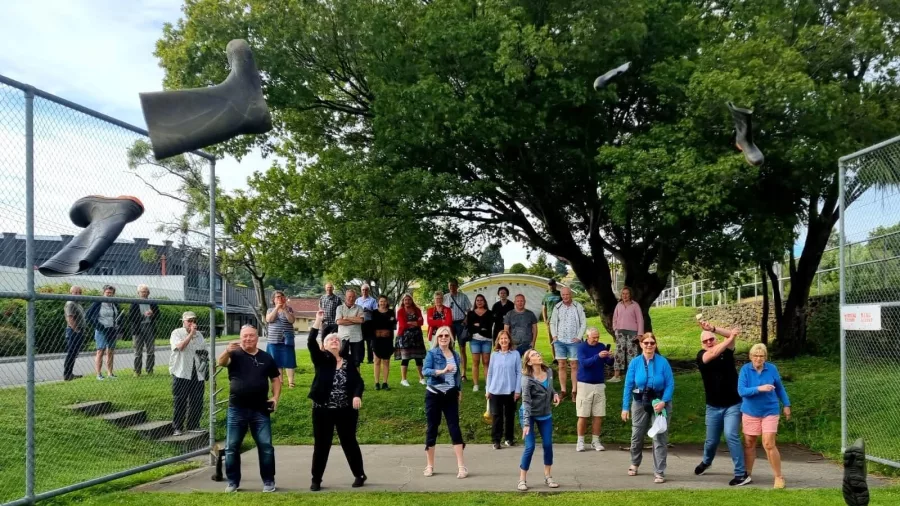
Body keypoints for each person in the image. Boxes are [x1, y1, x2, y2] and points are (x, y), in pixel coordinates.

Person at [307, 310, 367, 491]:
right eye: (330, 340)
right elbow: (311, 342)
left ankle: (359, 474)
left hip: (345, 410)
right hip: (322, 409)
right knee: (321, 444)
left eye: (337, 340)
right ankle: (316, 479)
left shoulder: (348, 362)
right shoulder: (321, 359)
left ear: (340, 345)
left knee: (349, 442)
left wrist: (357, 395)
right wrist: (318, 321)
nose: (334, 341)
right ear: (324, 346)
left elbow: (359, 382)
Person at [218, 325, 281, 493]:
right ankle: (233, 482)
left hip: (260, 409)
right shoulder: (234, 354)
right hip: (237, 409)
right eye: (244, 336)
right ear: (240, 337)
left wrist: (275, 397)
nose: (248, 339)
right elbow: (221, 363)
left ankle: (268, 481)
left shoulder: (266, 357)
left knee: (266, 446)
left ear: (257, 337)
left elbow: (275, 379)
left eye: (251, 336)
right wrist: (226, 350)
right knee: (232, 446)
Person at [694, 320, 751, 486]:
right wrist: (730, 337)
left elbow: (730, 339)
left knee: (731, 435)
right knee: (711, 441)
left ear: (715, 339)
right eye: (705, 341)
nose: (709, 343)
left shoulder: (727, 352)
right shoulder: (701, 356)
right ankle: (707, 461)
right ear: (701, 344)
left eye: (711, 339)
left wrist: (713, 328)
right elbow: (712, 354)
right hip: (713, 406)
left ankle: (741, 474)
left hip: (733, 404)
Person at [621, 332, 674, 484]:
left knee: (659, 436)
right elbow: (628, 385)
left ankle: (659, 471)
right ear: (641, 344)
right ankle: (635, 462)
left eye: (652, 343)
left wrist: (664, 401)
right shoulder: (635, 363)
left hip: (659, 402)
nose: (649, 345)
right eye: (646, 343)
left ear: (655, 345)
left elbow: (670, 384)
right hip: (640, 402)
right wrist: (625, 407)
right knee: (637, 435)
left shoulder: (663, 362)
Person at [739, 343, 791, 489]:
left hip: (770, 410)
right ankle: (747, 474)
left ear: (765, 357)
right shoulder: (745, 370)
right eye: (755, 356)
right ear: (750, 357)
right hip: (750, 411)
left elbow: (780, 388)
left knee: (768, 443)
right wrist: (759, 388)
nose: (758, 358)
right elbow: (742, 391)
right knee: (749, 442)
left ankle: (778, 477)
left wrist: (786, 404)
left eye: (761, 356)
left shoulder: (772, 369)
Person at [422, 326, 467, 479]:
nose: (443, 338)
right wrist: (441, 371)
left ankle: (461, 467)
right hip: (434, 394)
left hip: (450, 395)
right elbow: (425, 371)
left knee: (454, 428)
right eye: (441, 336)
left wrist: (459, 390)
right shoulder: (432, 353)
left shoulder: (455, 355)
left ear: (450, 338)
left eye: (446, 336)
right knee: (432, 428)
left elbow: (458, 374)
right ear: (437, 338)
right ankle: (429, 465)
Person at [518, 349, 561, 491]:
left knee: (548, 445)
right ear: (529, 362)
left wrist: (555, 394)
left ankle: (548, 476)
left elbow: (550, 388)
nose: (538, 355)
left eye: (538, 353)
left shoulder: (548, 372)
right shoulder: (526, 379)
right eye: (534, 355)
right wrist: (526, 424)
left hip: (545, 414)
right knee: (530, 446)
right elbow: (526, 401)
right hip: (528, 415)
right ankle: (522, 479)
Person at [575, 327, 614, 452]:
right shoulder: (581, 347)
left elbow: (608, 362)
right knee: (583, 414)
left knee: (598, 414)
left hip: (599, 384)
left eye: (597, 337)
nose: (596, 340)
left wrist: (610, 357)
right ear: (588, 337)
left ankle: (595, 440)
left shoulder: (601, 345)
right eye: (594, 337)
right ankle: (580, 441)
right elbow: (585, 363)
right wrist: (598, 356)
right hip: (584, 383)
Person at [169, 311, 207, 436]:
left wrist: (206, 368)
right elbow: (180, 347)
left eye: (194, 320)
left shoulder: (200, 335)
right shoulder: (177, 333)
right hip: (181, 371)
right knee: (180, 400)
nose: (192, 323)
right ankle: (177, 427)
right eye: (189, 321)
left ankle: (193, 425)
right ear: (183, 321)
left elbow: (204, 352)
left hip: (197, 371)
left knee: (197, 400)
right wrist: (191, 334)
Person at [485, 330, 521, 449]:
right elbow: (490, 373)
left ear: (509, 340)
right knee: (497, 416)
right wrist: (488, 389)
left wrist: (517, 390)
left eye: (506, 338)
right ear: (498, 341)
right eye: (501, 339)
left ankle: (509, 438)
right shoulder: (494, 355)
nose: (504, 341)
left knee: (510, 416)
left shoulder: (515, 354)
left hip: (510, 391)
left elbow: (519, 373)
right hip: (495, 390)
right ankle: (496, 440)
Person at [549, 287, 586, 399]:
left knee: (574, 365)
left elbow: (584, 322)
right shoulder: (557, 307)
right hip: (559, 341)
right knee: (561, 365)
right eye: (563, 295)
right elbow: (552, 322)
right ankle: (563, 390)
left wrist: (579, 337)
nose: (565, 297)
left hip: (574, 341)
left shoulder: (577, 306)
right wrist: (554, 336)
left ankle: (574, 391)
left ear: (571, 295)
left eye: (567, 294)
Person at [85, 285, 122, 380]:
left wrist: (118, 324)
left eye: (111, 293)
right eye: (107, 293)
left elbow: (119, 315)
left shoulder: (114, 303)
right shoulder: (98, 302)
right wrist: (99, 326)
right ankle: (99, 374)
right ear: (103, 293)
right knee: (100, 351)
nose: (109, 294)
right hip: (101, 330)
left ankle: (110, 373)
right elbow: (88, 316)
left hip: (112, 330)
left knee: (110, 351)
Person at [611, 287, 643, 383]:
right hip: (620, 333)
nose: (625, 295)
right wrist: (615, 329)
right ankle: (616, 376)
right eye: (623, 294)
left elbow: (640, 320)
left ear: (630, 295)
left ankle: (631, 377)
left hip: (632, 334)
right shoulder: (618, 305)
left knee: (631, 354)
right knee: (618, 353)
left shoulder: (635, 305)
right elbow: (614, 319)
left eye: (627, 293)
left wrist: (640, 334)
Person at [266, 291, 297, 388]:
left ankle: (291, 382)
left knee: (289, 361)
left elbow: (292, 320)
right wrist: (277, 308)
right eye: (277, 297)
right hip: (273, 340)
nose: (280, 298)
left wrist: (284, 310)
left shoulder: (289, 309)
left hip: (287, 340)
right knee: (276, 361)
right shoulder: (270, 310)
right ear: (273, 300)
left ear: (284, 299)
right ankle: (280, 381)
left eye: (282, 296)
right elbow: (269, 319)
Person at [395, 294, 426, 387]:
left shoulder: (417, 310)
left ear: (412, 300)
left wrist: (412, 323)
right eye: (405, 300)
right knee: (405, 358)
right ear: (403, 301)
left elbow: (421, 322)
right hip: (404, 337)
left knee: (419, 358)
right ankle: (403, 379)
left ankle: (422, 378)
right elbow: (403, 324)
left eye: (409, 299)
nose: (407, 301)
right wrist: (415, 323)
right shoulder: (400, 311)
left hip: (417, 337)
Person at [128, 284, 159, 376]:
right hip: (138, 329)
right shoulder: (134, 302)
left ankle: (150, 370)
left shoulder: (152, 302)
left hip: (150, 327)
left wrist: (153, 314)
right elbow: (131, 317)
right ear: (138, 293)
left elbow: (158, 315)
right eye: (142, 291)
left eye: (146, 291)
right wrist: (143, 316)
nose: (144, 293)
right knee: (138, 351)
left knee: (151, 350)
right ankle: (137, 371)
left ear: (148, 293)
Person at [444, 279, 471, 382]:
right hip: (449, 324)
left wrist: (465, 321)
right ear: (448, 286)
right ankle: (450, 371)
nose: (452, 287)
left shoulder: (463, 296)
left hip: (460, 323)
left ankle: (463, 373)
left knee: (462, 348)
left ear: (457, 286)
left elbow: (469, 311)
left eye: (454, 285)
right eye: (450, 286)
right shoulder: (445, 297)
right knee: (449, 348)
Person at [466, 294, 493, 391]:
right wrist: (482, 327)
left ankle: (488, 384)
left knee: (486, 362)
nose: (479, 302)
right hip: (475, 340)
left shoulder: (490, 313)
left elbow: (489, 326)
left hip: (487, 340)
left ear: (484, 301)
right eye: (477, 300)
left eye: (481, 300)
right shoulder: (471, 313)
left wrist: (478, 326)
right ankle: (476, 384)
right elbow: (470, 327)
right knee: (475, 362)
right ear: (475, 302)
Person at [370, 295, 396, 390]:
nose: (383, 303)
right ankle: (376, 383)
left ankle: (385, 383)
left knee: (386, 361)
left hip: (387, 340)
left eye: (384, 301)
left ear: (387, 302)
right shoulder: (374, 313)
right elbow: (372, 326)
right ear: (378, 302)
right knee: (377, 360)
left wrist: (385, 329)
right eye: (381, 301)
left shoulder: (391, 312)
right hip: (376, 339)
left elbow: (393, 324)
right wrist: (379, 332)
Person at [336, 289, 366, 368]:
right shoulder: (339, 308)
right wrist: (354, 320)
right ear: (345, 297)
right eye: (349, 296)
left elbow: (361, 320)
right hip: (343, 337)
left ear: (355, 297)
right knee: (343, 360)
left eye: (353, 297)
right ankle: (344, 379)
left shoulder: (359, 308)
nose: (351, 298)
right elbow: (339, 322)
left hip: (356, 338)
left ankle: (356, 379)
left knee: (356, 361)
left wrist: (346, 318)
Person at [62, 285, 85, 381]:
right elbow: (70, 318)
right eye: (75, 292)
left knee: (74, 353)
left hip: (79, 330)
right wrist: (76, 330)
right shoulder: (70, 303)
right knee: (71, 353)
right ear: (70, 293)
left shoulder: (77, 304)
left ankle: (70, 373)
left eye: (79, 292)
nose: (77, 294)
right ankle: (67, 374)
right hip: (73, 331)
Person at [357, 284, 378, 365]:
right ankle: (360, 358)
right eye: (363, 290)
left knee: (369, 342)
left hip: (369, 323)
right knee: (360, 342)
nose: (364, 291)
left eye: (366, 290)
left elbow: (376, 311)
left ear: (368, 290)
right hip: (360, 323)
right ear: (361, 290)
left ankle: (370, 359)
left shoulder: (372, 300)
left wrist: (369, 310)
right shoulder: (358, 300)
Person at [541, 279, 562, 344]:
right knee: (552, 340)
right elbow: (544, 308)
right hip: (550, 320)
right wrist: (545, 319)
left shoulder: (560, 294)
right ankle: (554, 354)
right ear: (548, 286)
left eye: (552, 284)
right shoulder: (546, 296)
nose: (551, 286)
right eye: (550, 285)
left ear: (555, 285)